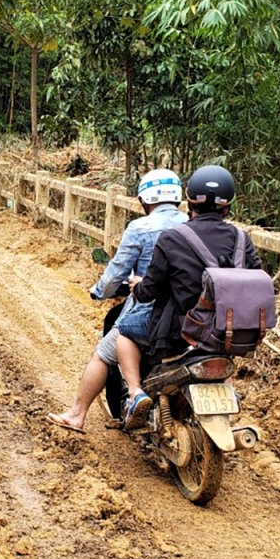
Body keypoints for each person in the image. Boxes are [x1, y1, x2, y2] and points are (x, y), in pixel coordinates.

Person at [116, 164, 262, 429]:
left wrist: (137, 286)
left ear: (189, 201)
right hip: (229, 335)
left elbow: (149, 291)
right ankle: (226, 389)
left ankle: (136, 393)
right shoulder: (242, 239)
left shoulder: (173, 238)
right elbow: (256, 279)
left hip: (179, 334)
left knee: (124, 332)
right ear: (227, 207)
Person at [47, 168, 188, 433]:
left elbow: (117, 272)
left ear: (145, 200)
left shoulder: (140, 228)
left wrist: (99, 291)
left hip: (149, 311)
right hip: (192, 315)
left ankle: (78, 414)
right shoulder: (192, 226)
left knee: (102, 355)